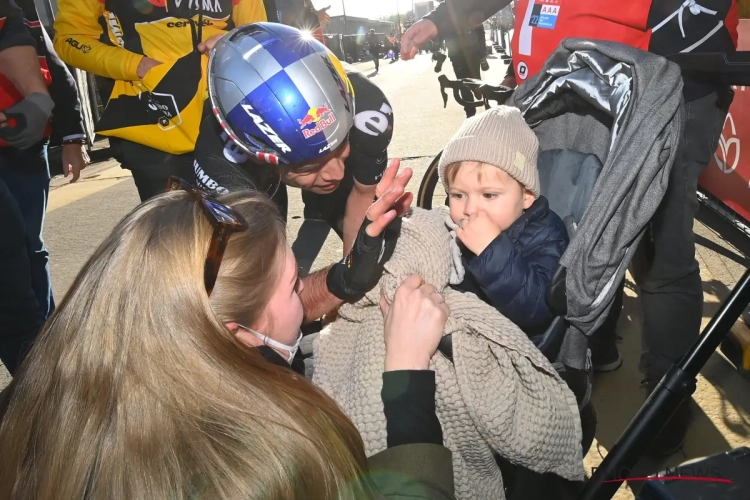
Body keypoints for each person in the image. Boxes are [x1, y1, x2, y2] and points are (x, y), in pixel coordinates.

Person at [402, 0, 739, 457]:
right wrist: (443, 20)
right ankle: (594, 343)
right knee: (581, 228)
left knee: (656, 252)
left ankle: (666, 399)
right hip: (556, 80)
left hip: (654, 85)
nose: (466, 208)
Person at [0, 181, 455, 499]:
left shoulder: (33, 401)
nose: (304, 297)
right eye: (294, 285)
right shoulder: (261, 465)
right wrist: (407, 376)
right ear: (236, 336)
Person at [194, 23, 396, 270]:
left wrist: (351, 281)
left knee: (374, 249)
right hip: (243, 171)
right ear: (256, 156)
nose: (337, 173)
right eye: (309, 166)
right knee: (261, 255)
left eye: (341, 146)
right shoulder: (222, 165)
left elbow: (363, 196)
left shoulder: (369, 111)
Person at [52, 0, 268, 202]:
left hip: (231, 116)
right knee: (176, 236)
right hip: (152, 127)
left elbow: (260, 32)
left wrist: (233, 43)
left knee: (256, 228)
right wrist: (136, 66)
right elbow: (70, 39)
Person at [440, 106, 568, 337]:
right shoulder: (455, 225)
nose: (469, 209)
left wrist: (491, 250)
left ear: (526, 195)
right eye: (458, 195)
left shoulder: (547, 234)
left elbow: (538, 307)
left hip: (510, 341)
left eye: (489, 195)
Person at [0, 0, 56, 376]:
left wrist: (36, 96)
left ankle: (45, 397)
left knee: (15, 262)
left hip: (15, 152)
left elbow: (7, 29)